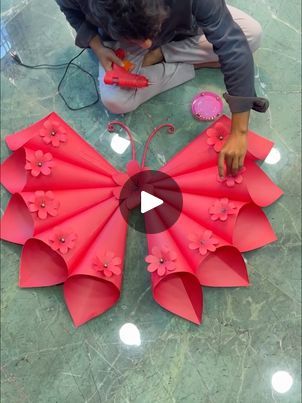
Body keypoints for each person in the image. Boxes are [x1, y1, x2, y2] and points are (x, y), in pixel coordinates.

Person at [55, 0, 269, 177]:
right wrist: (98, 47)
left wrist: (240, 131)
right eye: (137, 38)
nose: (147, 43)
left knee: (252, 35)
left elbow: (231, 43)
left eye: (152, 31)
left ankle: (166, 55)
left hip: (182, 28)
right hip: (122, 44)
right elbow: (70, 11)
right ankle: (189, 58)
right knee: (116, 101)